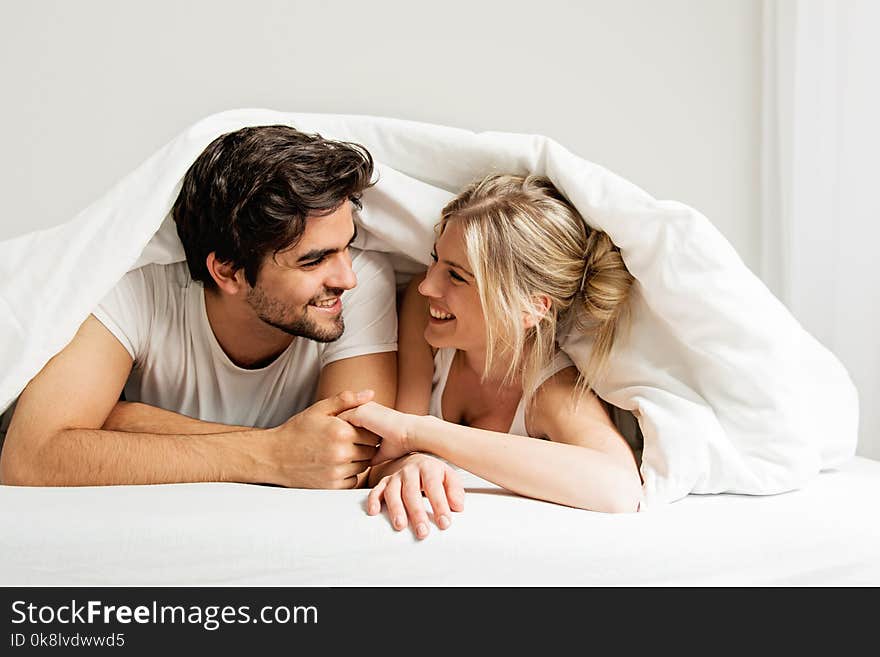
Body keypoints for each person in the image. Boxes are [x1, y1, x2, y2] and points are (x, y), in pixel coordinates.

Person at [0, 125, 397, 489]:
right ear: (228, 271)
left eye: (348, 245)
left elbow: (350, 460)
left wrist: (127, 420)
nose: (347, 278)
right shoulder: (136, 288)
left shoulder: (363, 283)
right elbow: (29, 459)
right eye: (313, 261)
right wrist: (271, 453)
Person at [341, 173, 643, 539]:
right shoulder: (425, 314)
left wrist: (420, 433)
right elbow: (388, 455)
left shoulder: (550, 391)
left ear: (530, 309)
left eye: (455, 276)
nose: (425, 285)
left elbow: (618, 488)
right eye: (435, 260)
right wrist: (412, 460)